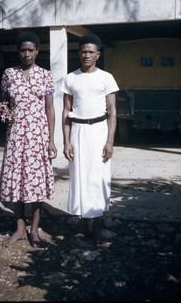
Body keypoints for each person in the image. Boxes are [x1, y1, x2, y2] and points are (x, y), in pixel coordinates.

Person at [0, 31, 57, 248]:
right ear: (18, 51)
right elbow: (3, 103)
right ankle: (20, 229)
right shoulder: (8, 74)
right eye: (23, 50)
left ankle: (34, 231)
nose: (26, 54)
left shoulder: (45, 75)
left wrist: (51, 140)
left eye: (30, 50)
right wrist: (2, 113)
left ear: (37, 52)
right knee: (17, 181)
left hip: (38, 136)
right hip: (15, 136)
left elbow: (50, 109)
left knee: (36, 182)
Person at [61, 33, 119, 239]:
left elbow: (112, 111)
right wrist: (66, 141)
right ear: (79, 53)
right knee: (79, 175)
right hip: (78, 131)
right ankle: (83, 223)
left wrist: (110, 141)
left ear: (98, 55)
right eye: (83, 51)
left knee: (99, 175)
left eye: (91, 52)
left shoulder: (106, 77)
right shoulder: (70, 78)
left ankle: (99, 223)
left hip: (99, 130)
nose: (87, 55)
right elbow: (66, 111)